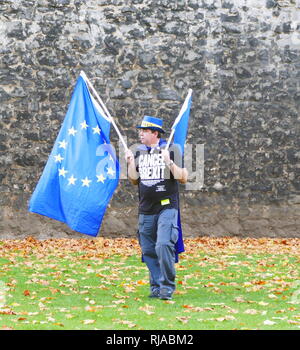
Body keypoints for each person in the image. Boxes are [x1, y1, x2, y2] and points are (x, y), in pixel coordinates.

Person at [126, 115, 188, 300]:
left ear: (155, 133)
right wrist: (130, 163)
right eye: (141, 131)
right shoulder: (138, 152)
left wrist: (168, 161)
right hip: (146, 209)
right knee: (148, 250)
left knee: (163, 244)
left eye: (144, 131)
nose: (141, 134)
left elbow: (183, 177)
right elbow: (134, 180)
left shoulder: (171, 149)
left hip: (167, 207)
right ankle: (156, 286)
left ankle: (167, 286)